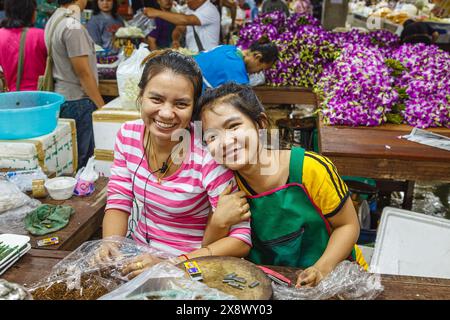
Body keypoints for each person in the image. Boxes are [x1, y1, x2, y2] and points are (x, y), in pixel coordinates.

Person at [196, 83, 368, 287]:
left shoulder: (310, 169)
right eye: (212, 136)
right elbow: (210, 252)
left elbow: (348, 225)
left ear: (260, 125)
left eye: (234, 126)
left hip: (335, 276)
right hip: (272, 286)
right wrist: (218, 222)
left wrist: (321, 269)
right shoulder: (224, 183)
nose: (224, 142)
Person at [102, 50, 252, 279]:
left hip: (192, 265)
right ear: (141, 96)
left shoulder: (208, 155)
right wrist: (110, 246)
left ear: (194, 110)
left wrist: (171, 264)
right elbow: (119, 200)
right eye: (156, 99)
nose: (165, 113)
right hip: (138, 256)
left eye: (181, 104)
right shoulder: (127, 135)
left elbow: (240, 239)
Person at [45, 0, 105, 169]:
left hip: (65, 98)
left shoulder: (55, 19)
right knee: (84, 162)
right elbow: (83, 73)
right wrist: (102, 107)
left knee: (74, 159)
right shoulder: (72, 25)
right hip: (79, 101)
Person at [193, 39, 278, 90]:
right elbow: (241, 104)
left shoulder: (227, 48)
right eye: (260, 69)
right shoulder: (237, 72)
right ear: (257, 56)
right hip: (193, 100)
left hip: (184, 77)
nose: (257, 73)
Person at [0, 0, 47, 91]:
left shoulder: (1, 36)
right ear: (31, 13)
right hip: (40, 96)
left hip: (12, 97)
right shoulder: (42, 36)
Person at [143, 0, 220, 52]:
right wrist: (176, 39)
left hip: (208, 55)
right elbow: (180, 28)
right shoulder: (191, 10)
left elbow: (186, 20)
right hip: (194, 55)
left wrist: (157, 13)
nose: (187, 2)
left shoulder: (209, 9)